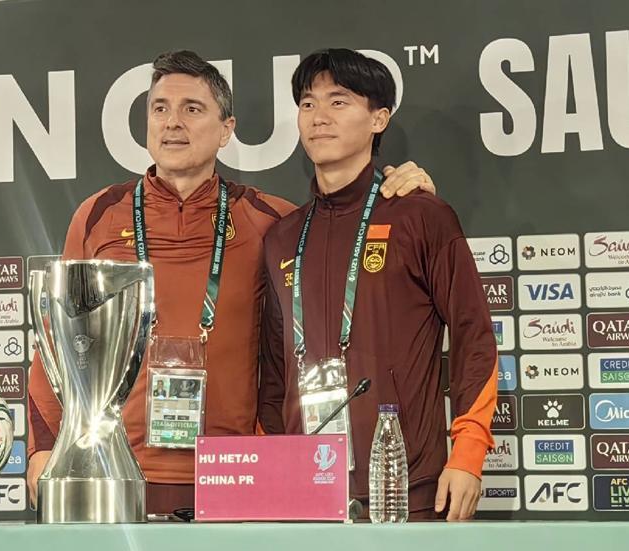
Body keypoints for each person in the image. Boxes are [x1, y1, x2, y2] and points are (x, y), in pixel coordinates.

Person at [28, 49, 436, 513]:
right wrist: (43, 446)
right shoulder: (98, 214)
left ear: (226, 130)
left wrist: (401, 193)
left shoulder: (271, 221)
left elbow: (345, 226)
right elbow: (58, 342)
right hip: (114, 472)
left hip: (237, 475)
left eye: (192, 109)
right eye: (159, 108)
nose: (172, 122)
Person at [258, 48, 497, 522]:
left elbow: (474, 335)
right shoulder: (282, 236)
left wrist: (468, 453)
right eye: (307, 104)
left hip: (408, 491)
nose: (319, 117)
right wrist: (272, 471)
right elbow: (272, 373)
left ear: (379, 118)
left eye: (338, 101)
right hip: (305, 498)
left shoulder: (421, 215)